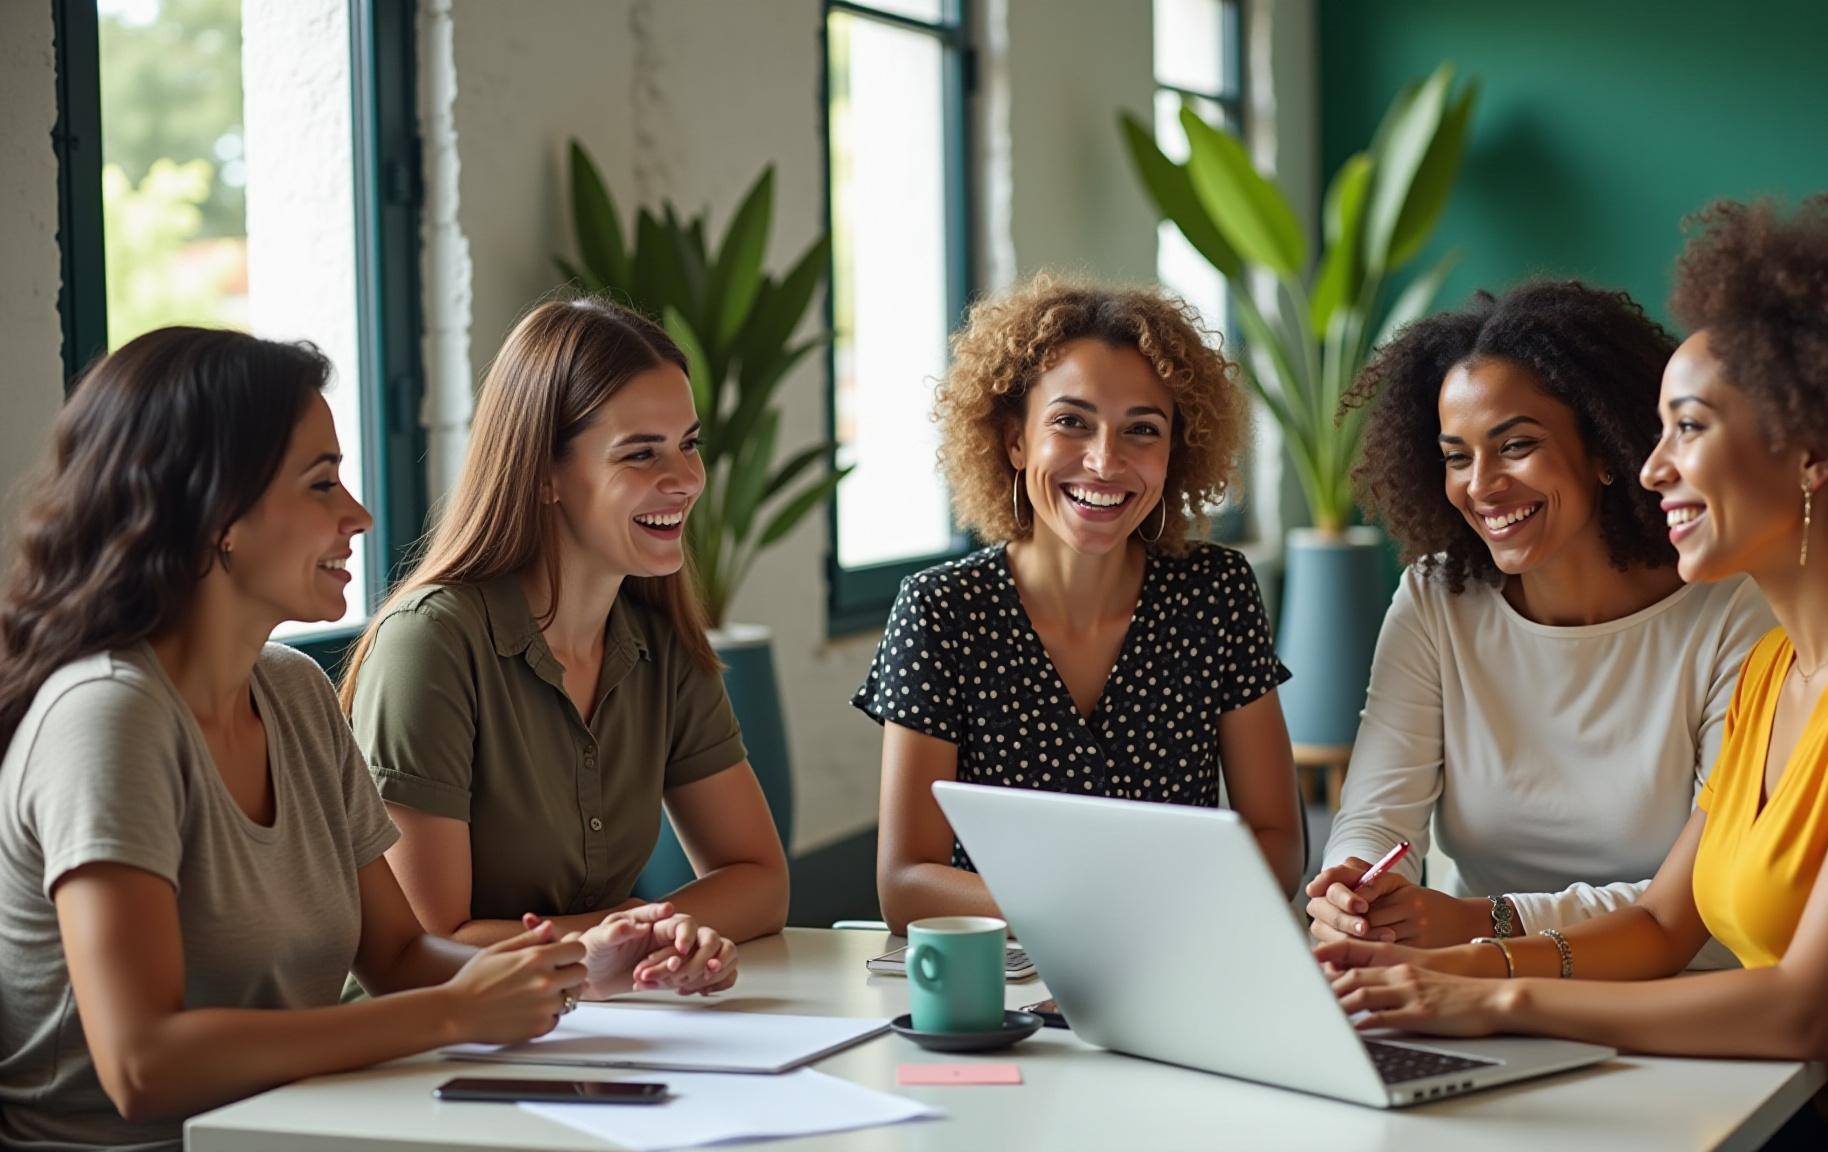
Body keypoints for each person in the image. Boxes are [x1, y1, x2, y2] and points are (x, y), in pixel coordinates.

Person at [1319, 196, 1828, 1152]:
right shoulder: (1778, 666)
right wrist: (1448, 973)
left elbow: (1802, 1015)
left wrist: (1493, 998)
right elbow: (1664, 922)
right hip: (1799, 1111)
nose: (1653, 467)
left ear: (1815, 450)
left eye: (1689, 429)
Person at [0, 328, 690, 1151]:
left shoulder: (291, 690)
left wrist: (574, 969)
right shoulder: (107, 718)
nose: (357, 514)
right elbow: (143, 1064)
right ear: (215, 511)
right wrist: (452, 1013)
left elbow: (395, 952)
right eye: (322, 483)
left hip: (293, 1127)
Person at [1305, 280, 1773, 961]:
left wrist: (1482, 921)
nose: (1482, 484)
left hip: (1673, 1004)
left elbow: (1699, 897)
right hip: (1467, 989)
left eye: (1516, 445)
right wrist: (1354, 885)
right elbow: (1377, 813)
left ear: (1607, 449)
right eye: (1457, 457)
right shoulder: (1436, 601)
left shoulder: (1733, 609)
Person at [342, 298, 786, 984]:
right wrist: (624, 935)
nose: (687, 479)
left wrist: (656, 937)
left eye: (689, 443)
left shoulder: (658, 638)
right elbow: (427, 945)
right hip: (427, 1057)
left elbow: (759, 880)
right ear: (544, 473)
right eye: (640, 453)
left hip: (589, 1030)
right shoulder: (430, 646)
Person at [857, 277, 1302, 933]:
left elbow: (1278, 841)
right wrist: (1106, 911)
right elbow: (906, 884)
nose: (1104, 461)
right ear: (1014, 441)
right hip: (999, 987)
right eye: (1071, 422)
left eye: (1142, 430)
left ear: (1176, 451)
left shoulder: (1217, 594)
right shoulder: (940, 610)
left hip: (1176, 965)